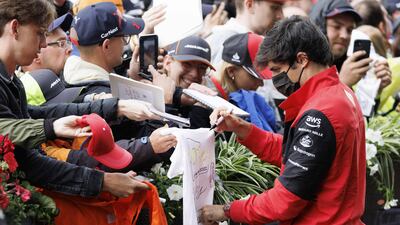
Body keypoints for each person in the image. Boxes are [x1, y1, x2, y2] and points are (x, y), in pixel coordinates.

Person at [200, 16, 366, 224]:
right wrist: (242, 129)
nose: (275, 79)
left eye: (277, 70)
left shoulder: (321, 111)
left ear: (302, 59)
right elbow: (299, 154)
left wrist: (227, 210)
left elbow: (285, 201)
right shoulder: (341, 92)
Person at [0, 0, 157, 198]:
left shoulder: (11, 79)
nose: (42, 44)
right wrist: (102, 182)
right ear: (15, 28)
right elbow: (23, 153)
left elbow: (34, 114)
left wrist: (115, 107)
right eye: (40, 33)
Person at [309, 0, 392, 92]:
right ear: (319, 27)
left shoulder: (345, 64)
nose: (344, 36)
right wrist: (342, 83)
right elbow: (310, 105)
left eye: (349, 30)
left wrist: (376, 90)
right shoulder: (301, 64)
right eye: (337, 26)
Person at [210, 32, 277, 132]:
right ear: (231, 71)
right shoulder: (207, 100)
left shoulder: (253, 98)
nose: (261, 83)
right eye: (255, 76)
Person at [206, 0, 285, 65]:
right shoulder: (225, 37)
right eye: (274, 8)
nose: (281, 16)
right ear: (250, 5)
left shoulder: (266, 43)